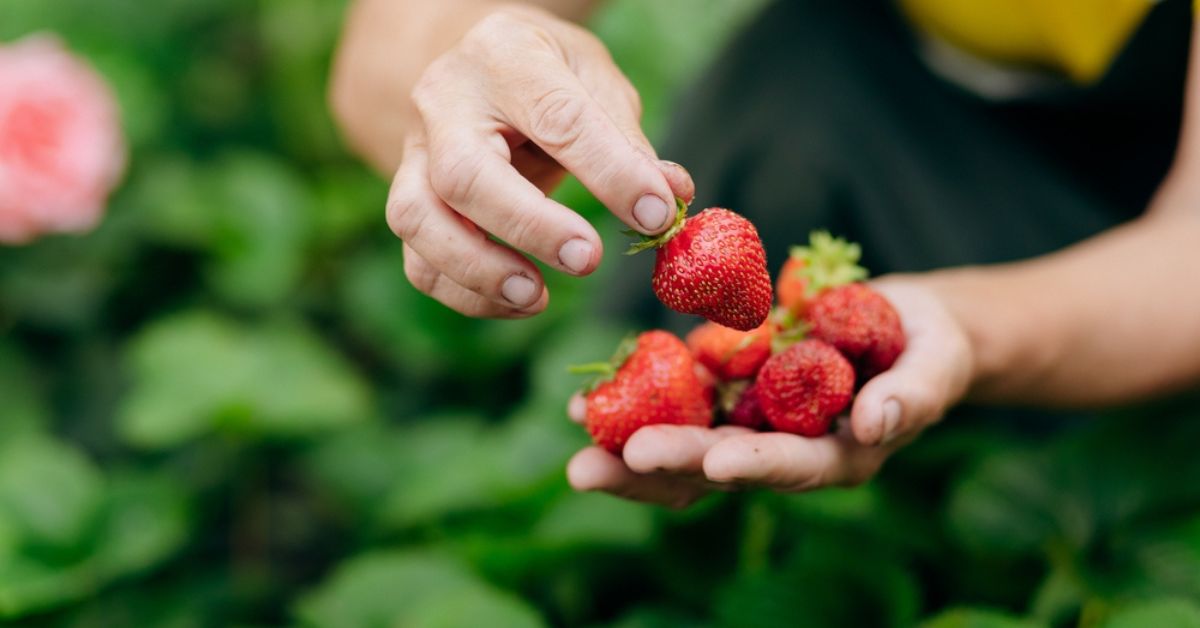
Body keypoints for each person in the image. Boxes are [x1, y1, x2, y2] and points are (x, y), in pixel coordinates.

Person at [329, 0, 1200, 508]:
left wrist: (971, 331)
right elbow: (391, 45)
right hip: (858, 98)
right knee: (786, 99)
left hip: (1150, 214)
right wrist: (466, 81)